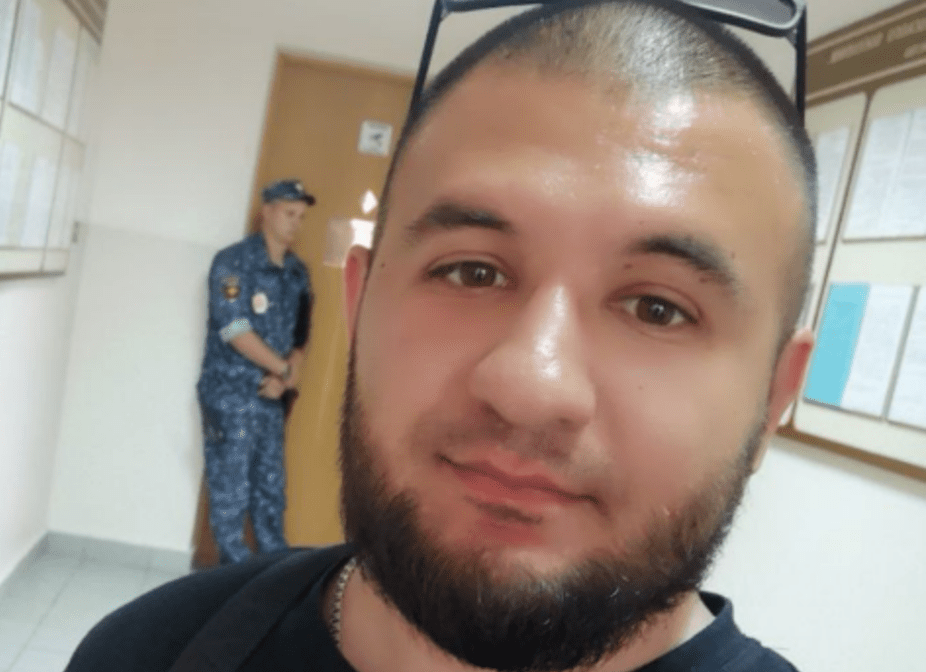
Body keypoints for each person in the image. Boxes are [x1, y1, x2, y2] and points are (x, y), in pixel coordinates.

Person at [67, 1, 816, 670]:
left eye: (658, 309)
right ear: (360, 306)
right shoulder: (147, 653)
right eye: (471, 272)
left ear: (774, 399)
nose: (530, 385)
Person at [196, 178, 315, 565]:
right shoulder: (232, 263)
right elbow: (233, 329)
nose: (296, 223)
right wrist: (283, 369)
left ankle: (272, 581)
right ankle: (231, 584)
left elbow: (301, 336)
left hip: (271, 399)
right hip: (230, 396)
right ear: (267, 211)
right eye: (289, 213)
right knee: (230, 496)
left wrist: (287, 376)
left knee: (270, 495)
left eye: (301, 216)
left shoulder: (297, 273)